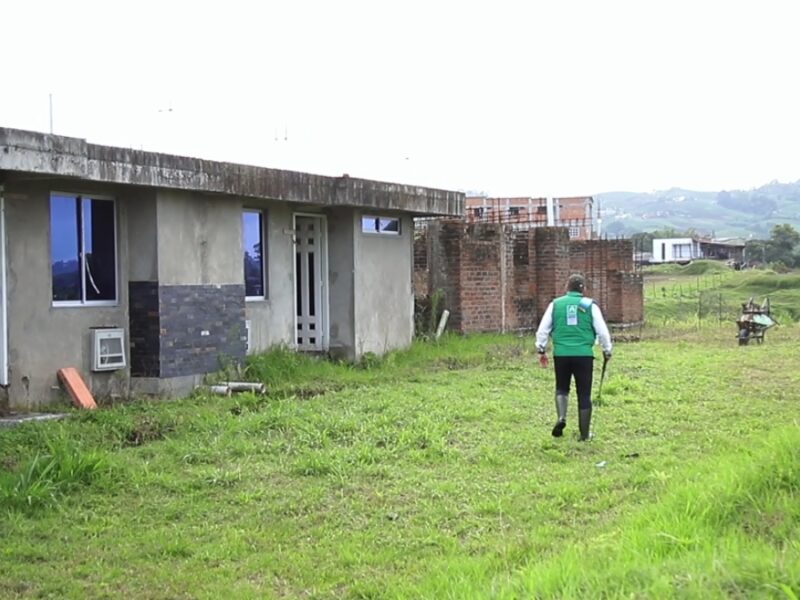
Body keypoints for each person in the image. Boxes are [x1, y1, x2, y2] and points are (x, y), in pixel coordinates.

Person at [535, 274, 612, 441]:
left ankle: (561, 417)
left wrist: (541, 349)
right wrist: (607, 350)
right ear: (583, 289)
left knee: (561, 387)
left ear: (567, 288)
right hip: (583, 355)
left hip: (561, 354)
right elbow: (602, 331)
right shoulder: (590, 305)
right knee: (584, 394)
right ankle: (584, 435)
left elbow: (542, 330)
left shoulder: (555, 304)